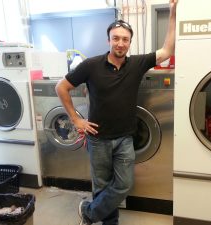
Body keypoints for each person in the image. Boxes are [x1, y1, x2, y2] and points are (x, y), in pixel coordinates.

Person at [55, 1, 177, 224]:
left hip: (124, 139)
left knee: (123, 184)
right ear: (108, 40)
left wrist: (172, 12)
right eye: (116, 38)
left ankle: (89, 212)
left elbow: (168, 50)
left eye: (125, 39)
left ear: (130, 42)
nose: (120, 43)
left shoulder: (137, 64)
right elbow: (61, 87)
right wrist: (75, 119)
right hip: (98, 138)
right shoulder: (91, 65)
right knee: (101, 186)